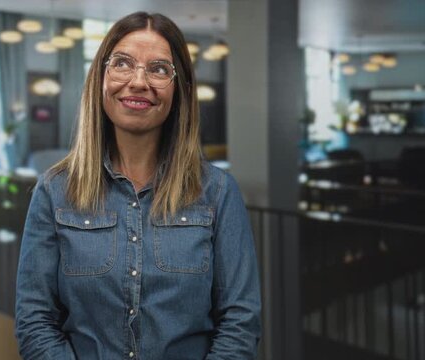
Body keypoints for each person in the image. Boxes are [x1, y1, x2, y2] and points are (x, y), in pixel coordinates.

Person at [15, 11, 261, 360]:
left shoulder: (218, 192)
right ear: (101, 77)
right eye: (123, 64)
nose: (138, 81)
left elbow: (240, 322)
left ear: (180, 89)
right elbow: (35, 322)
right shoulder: (54, 191)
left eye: (159, 69)